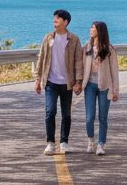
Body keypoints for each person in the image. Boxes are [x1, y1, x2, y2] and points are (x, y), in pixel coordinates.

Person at [34, 9, 83, 155]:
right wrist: (37, 79)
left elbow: (78, 61)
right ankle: (50, 143)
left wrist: (78, 81)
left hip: (67, 83)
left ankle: (64, 142)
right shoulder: (48, 37)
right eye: (54, 18)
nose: (55, 21)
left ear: (65, 22)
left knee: (66, 114)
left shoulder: (74, 39)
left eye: (58, 19)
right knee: (50, 112)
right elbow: (41, 58)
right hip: (51, 82)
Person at [83, 20, 119, 156]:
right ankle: (91, 141)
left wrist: (115, 90)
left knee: (103, 117)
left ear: (100, 31)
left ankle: (100, 144)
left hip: (105, 86)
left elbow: (114, 71)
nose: (91, 29)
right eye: (91, 27)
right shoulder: (87, 47)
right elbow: (81, 67)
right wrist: (79, 83)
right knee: (89, 117)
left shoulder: (109, 49)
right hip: (90, 86)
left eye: (93, 27)